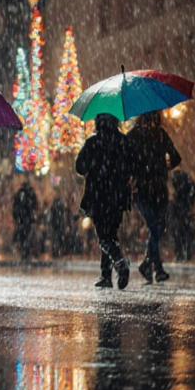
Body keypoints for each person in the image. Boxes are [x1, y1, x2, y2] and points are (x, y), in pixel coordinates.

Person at [76, 113, 136, 290]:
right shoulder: (123, 142)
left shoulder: (92, 142)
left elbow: (79, 166)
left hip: (98, 196)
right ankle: (106, 274)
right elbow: (132, 167)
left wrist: (93, 169)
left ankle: (119, 263)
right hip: (117, 197)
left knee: (103, 236)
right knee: (111, 233)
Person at [127, 110, 181, 283]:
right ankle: (155, 267)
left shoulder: (133, 136)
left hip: (142, 189)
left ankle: (150, 264)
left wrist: (136, 171)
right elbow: (176, 158)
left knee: (154, 227)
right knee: (156, 227)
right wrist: (163, 167)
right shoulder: (160, 134)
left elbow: (125, 160)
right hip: (158, 189)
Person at [167, 169, 195, 262]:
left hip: (179, 213)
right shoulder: (186, 183)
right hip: (182, 212)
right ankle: (183, 253)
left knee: (179, 233)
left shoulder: (177, 201)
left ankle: (180, 253)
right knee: (183, 233)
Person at [11, 180, 39, 260]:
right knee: (24, 235)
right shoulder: (23, 194)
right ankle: (24, 251)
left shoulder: (27, 194)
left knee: (25, 235)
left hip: (25, 218)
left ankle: (25, 251)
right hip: (24, 218)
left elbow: (33, 205)